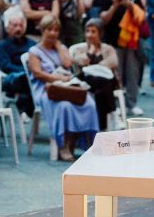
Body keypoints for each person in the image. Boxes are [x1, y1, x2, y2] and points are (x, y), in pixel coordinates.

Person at [25, 14, 99, 159]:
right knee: (65, 106)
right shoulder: (34, 51)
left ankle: (77, 141)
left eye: (56, 30)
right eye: (49, 30)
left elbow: (67, 64)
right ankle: (63, 144)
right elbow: (38, 73)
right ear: (43, 30)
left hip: (66, 87)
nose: (53, 33)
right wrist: (58, 78)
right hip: (46, 90)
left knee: (88, 102)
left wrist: (58, 47)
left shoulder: (61, 47)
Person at [98, 0, 148, 114]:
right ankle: (117, 104)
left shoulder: (135, 0)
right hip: (113, 42)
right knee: (116, 74)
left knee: (133, 73)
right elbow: (104, 20)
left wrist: (130, 5)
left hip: (132, 43)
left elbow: (141, 20)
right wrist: (114, 5)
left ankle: (132, 104)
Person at [66, 18, 122, 126]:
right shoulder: (79, 49)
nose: (89, 35)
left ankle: (102, 125)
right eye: (87, 31)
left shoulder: (108, 48)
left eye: (93, 31)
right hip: (88, 82)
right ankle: (114, 113)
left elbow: (113, 62)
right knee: (101, 82)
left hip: (105, 83)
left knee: (101, 90)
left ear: (100, 33)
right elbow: (80, 61)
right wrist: (90, 53)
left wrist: (96, 67)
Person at [0, 8, 37, 118]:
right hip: (12, 77)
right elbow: (5, 66)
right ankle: (27, 108)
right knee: (21, 77)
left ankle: (25, 103)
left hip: (31, 77)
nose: (18, 28)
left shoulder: (32, 44)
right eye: (14, 25)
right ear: (7, 28)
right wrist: (24, 71)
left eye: (20, 25)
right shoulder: (2, 45)